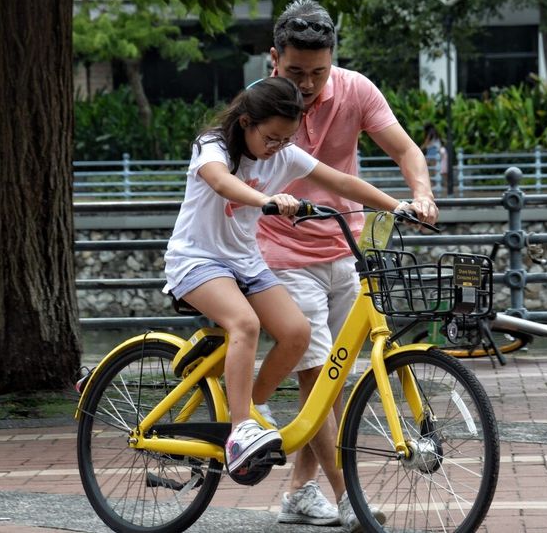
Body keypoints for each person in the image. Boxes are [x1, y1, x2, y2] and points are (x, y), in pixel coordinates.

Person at [161, 77, 408, 486]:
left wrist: (399, 205)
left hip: (244, 261)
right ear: (246, 122)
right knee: (245, 324)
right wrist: (266, 201)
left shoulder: (285, 155)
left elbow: (343, 183)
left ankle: (255, 406)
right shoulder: (213, 145)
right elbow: (222, 182)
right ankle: (241, 431)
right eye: (271, 138)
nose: (278, 147)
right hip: (197, 260)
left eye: (286, 139)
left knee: (297, 332)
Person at [252, 0, 439, 532]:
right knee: (317, 377)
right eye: (295, 72)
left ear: (332, 60)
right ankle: (348, 497)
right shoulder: (261, 102)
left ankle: (297, 492)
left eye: (318, 72)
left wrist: (420, 194)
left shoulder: (356, 90)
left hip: (346, 249)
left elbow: (405, 149)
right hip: (281, 253)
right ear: (274, 59)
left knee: (332, 382)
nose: (307, 85)